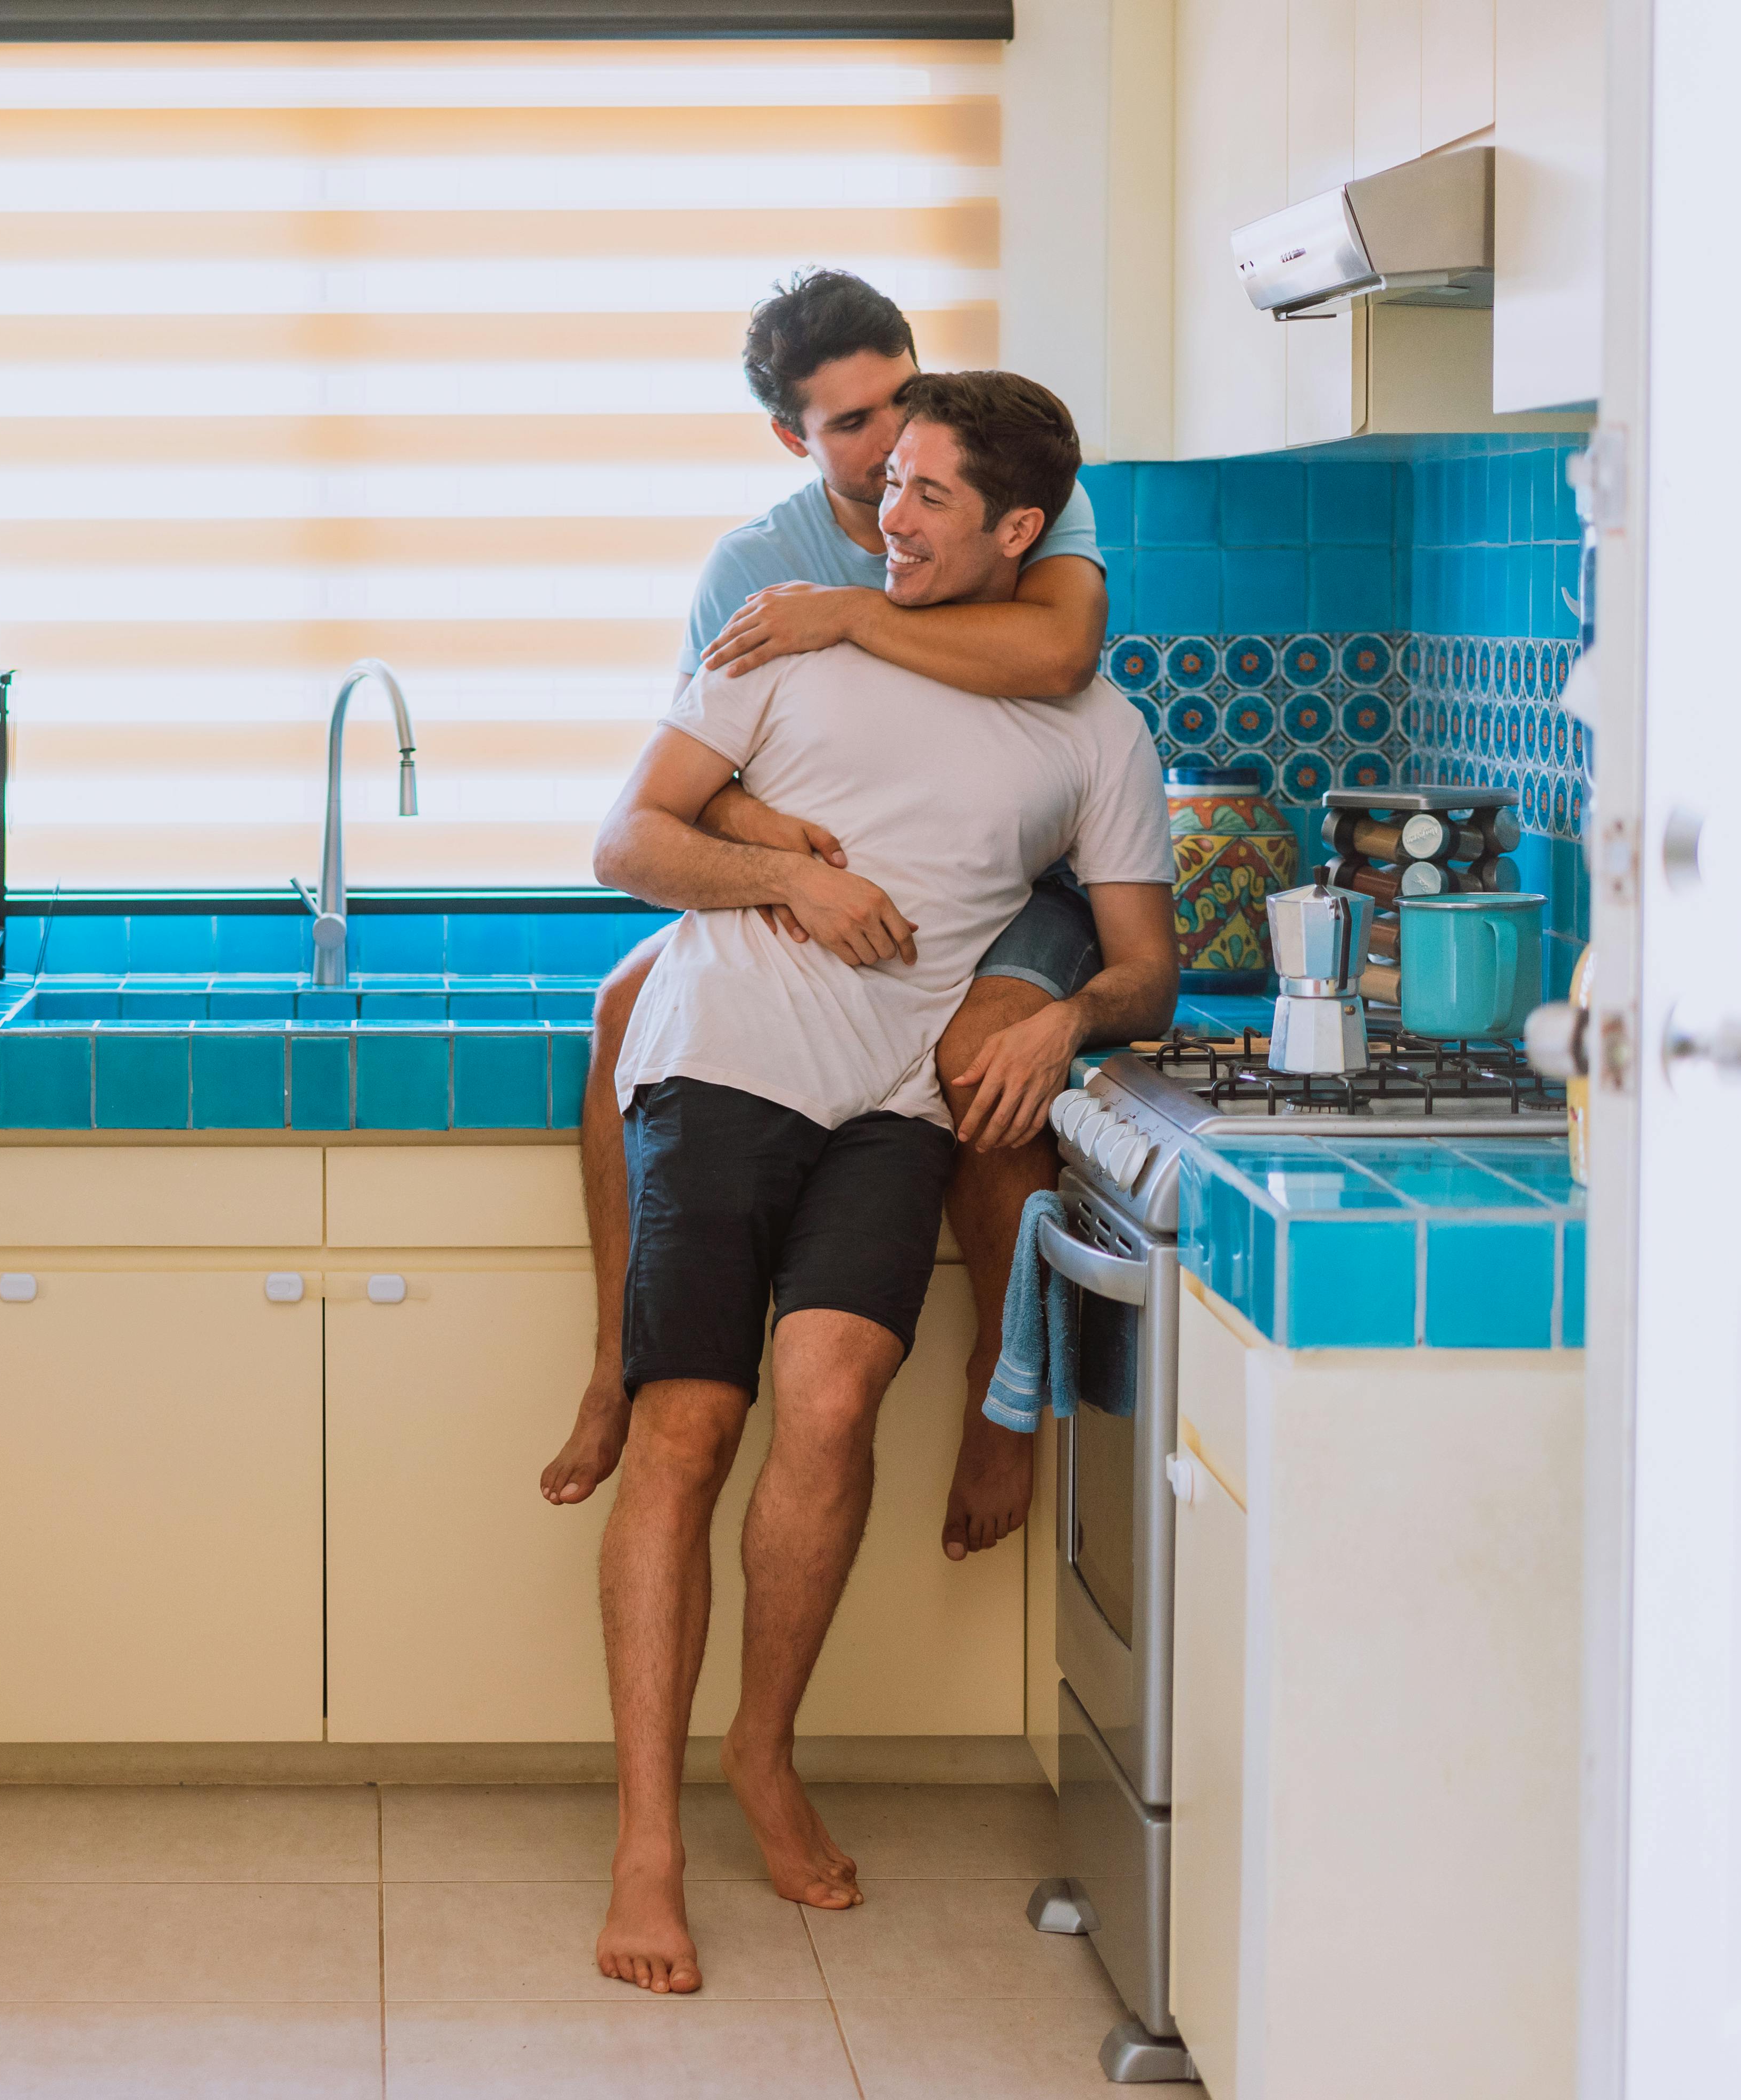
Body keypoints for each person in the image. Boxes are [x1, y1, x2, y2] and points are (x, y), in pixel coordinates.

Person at [583, 373, 1180, 1994]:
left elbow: (1145, 969)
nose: (886, 514)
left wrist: (1062, 1012)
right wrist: (787, 878)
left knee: (831, 1399)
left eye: (924, 494)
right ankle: (648, 1840)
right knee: (688, 1425)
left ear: (1018, 530)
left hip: (897, 1100)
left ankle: (761, 1756)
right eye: (885, 482)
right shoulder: (782, 643)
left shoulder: (1094, 724)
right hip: (724, 1063)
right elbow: (627, 844)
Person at [539, 272, 1122, 1565]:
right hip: (853, 885)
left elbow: (1060, 656)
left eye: (899, 398)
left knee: (981, 1053)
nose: (886, 442)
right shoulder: (752, 566)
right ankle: (612, 1367)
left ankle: (1001, 1393)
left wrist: (853, 612)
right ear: (792, 439)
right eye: (849, 423)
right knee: (625, 1001)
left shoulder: (1012, 498)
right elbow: (702, 784)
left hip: (1019, 884)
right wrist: (790, 861)